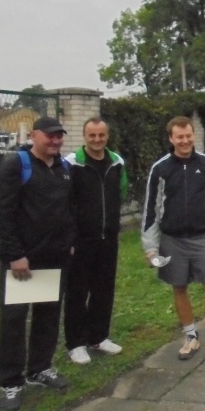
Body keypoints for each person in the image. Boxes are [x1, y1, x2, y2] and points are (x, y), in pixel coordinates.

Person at [0, 116, 76, 411]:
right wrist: (15, 255)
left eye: (59, 136)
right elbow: (1, 213)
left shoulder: (64, 168)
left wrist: (69, 241)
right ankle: (10, 382)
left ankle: (40, 368)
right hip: (22, 262)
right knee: (14, 322)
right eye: (49, 135)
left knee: (47, 317)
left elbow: (68, 209)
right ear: (34, 135)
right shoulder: (17, 165)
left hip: (55, 258)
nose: (55, 140)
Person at [141, 115, 205, 363]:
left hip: (202, 237)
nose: (185, 141)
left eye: (188, 135)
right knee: (179, 287)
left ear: (193, 135)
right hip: (172, 239)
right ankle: (190, 336)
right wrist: (150, 248)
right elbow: (151, 209)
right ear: (171, 138)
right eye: (179, 137)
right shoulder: (160, 169)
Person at [63, 117, 128, 364]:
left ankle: (99, 337)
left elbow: (121, 192)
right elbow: (65, 201)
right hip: (81, 240)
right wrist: (69, 236)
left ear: (107, 136)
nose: (97, 139)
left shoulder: (117, 162)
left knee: (104, 290)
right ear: (84, 136)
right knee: (77, 292)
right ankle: (76, 343)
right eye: (92, 135)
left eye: (101, 135)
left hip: (108, 238)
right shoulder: (72, 163)